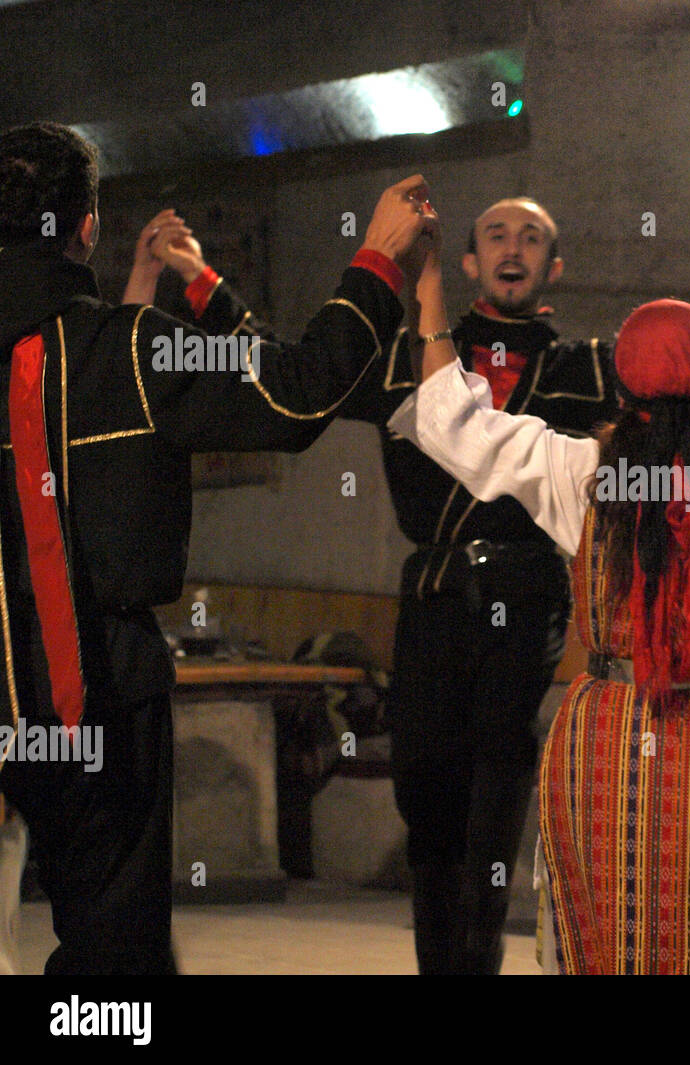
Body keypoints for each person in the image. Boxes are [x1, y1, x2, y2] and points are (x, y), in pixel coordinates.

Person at [334, 194, 690, 974]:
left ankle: (475, 955)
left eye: (530, 237)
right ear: (467, 260)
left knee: (498, 798)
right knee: (426, 798)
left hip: (527, 605)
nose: (511, 247)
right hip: (434, 593)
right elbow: (312, 372)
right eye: (494, 234)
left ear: (553, 268)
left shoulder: (569, 382)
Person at [0, 121, 428, 974]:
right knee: (113, 952)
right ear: (87, 226)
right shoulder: (132, 350)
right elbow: (300, 391)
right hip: (90, 683)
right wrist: (379, 259)